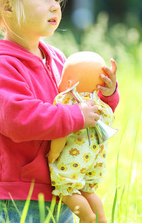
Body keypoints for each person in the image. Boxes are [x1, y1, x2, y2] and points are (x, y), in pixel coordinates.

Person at [0, 0, 119, 223]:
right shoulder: (0, 65)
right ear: (8, 6)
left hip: (63, 183)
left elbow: (83, 109)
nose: (55, 6)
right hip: (22, 191)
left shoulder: (56, 58)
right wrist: (75, 116)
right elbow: (17, 119)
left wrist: (105, 94)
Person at [47, 51, 119, 223]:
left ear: (70, 82)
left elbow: (62, 131)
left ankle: (87, 217)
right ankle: (100, 218)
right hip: (96, 159)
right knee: (87, 190)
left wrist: (53, 153)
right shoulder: (101, 105)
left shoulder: (68, 101)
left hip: (75, 157)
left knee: (67, 190)